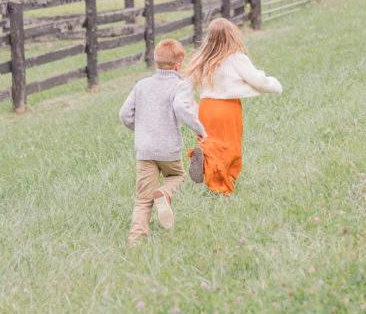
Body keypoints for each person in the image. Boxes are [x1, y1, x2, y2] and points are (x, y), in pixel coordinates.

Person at [119, 38, 207, 246]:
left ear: (156, 62)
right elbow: (181, 109)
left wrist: (141, 129)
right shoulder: (179, 86)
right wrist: (199, 129)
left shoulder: (142, 85)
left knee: (142, 198)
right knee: (177, 175)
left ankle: (136, 240)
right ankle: (165, 193)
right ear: (178, 65)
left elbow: (124, 114)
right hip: (168, 149)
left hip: (145, 150)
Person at [185, 17, 282, 196]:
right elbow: (258, 81)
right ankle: (223, 187)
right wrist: (275, 85)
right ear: (232, 36)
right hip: (228, 109)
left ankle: (205, 157)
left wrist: (194, 113)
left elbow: (186, 89)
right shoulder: (237, 59)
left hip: (206, 108)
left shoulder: (201, 59)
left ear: (210, 37)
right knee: (230, 148)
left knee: (211, 143)